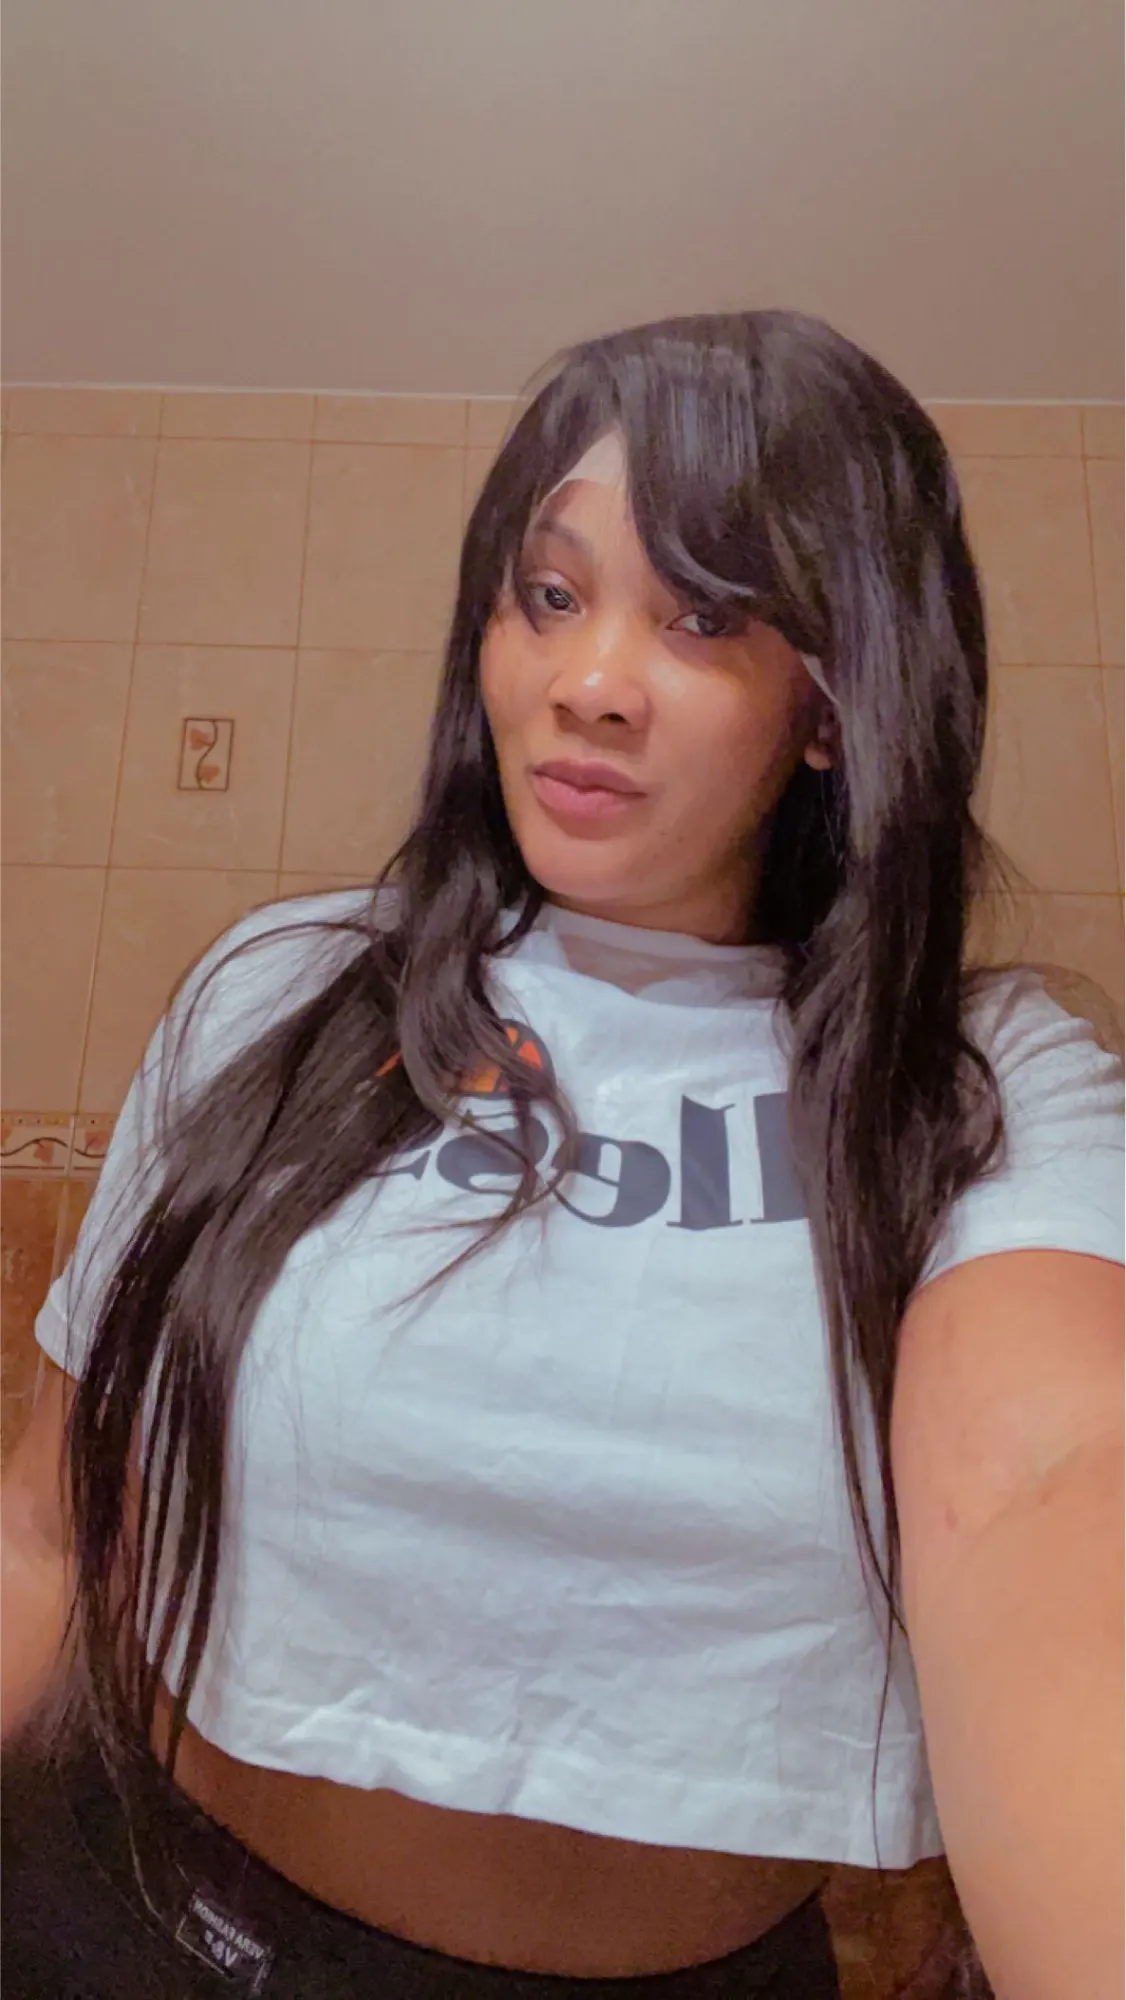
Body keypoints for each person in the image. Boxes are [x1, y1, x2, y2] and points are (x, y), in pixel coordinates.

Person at [2, 309, 1121, 1999]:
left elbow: (1052, 1480)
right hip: (127, 1917)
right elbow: (44, 1531)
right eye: (546, 594)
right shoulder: (284, 989)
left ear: (829, 702)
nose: (586, 681)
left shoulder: (973, 1085)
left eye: (704, 615)